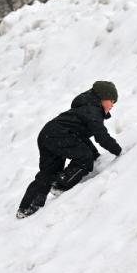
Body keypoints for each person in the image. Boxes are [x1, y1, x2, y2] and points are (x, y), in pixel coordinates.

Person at [16, 81, 122, 219]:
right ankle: (60, 184)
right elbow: (101, 136)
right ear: (103, 97)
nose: (113, 105)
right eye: (112, 101)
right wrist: (119, 152)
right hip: (58, 135)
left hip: (48, 134)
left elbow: (81, 137)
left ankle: (26, 207)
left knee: (48, 172)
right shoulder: (93, 110)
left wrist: (96, 155)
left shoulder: (86, 108)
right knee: (85, 158)